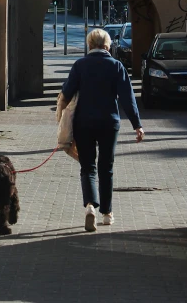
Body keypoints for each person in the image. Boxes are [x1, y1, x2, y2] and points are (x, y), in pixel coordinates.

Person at [59, 28, 144, 232]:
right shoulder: (116, 66)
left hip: (84, 122)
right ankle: (107, 213)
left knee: (88, 167)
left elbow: (67, 91)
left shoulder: (80, 65)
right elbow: (127, 98)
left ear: (89, 45)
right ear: (108, 46)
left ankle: (90, 206)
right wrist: (137, 124)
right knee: (106, 167)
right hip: (109, 122)